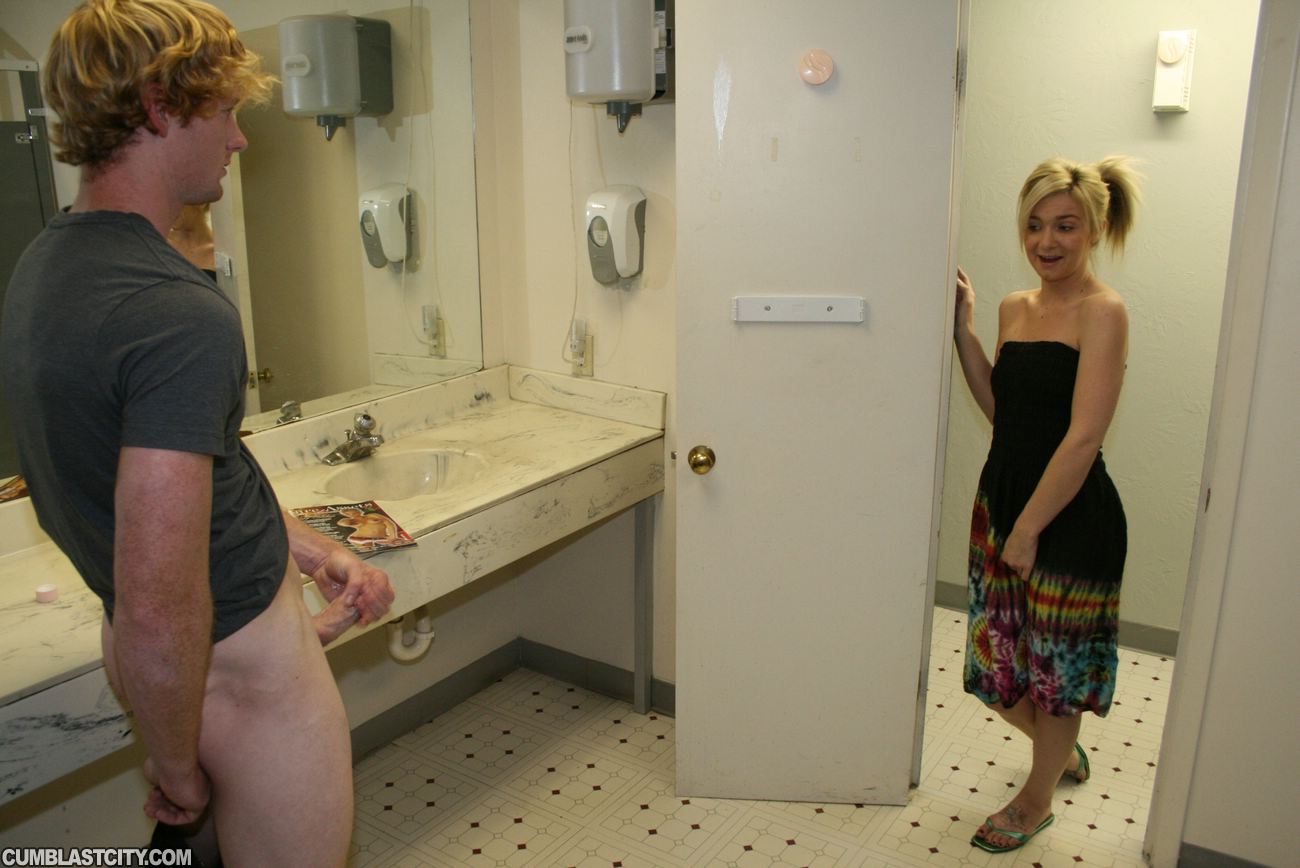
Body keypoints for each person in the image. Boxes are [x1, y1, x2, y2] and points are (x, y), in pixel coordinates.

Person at [0, 1, 395, 865]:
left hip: (189, 670)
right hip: (247, 683)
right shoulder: (175, 312)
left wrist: (309, 551)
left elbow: (187, 490)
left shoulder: (47, 268)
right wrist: (176, 767)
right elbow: (159, 595)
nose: (239, 139)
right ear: (158, 108)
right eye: (225, 111)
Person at [952, 156, 1140, 853]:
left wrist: (1029, 529)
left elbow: (1084, 436)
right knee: (995, 671)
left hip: (1069, 518)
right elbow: (1004, 412)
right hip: (1002, 504)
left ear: (1094, 230)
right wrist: (965, 333)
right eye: (1034, 225)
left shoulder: (1104, 312)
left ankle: (1036, 798)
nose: (1046, 241)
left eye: (1065, 225)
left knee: (1055, 676)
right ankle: (1057, 753)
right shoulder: (1015, 308)